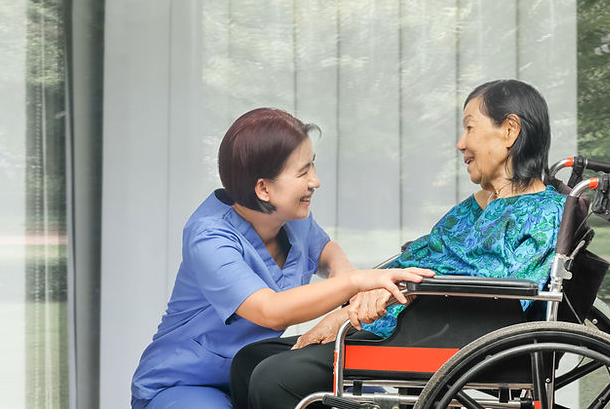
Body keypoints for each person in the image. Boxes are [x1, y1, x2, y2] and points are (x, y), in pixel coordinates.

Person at [230, 79, 567, 409]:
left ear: (509, 131)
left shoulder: (545, 212)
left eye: (470, 128)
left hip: (444, 338)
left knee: (274, 377)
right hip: (406, 323)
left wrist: (376, 300)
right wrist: (357, 296)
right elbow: (424, 253)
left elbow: (499, 292)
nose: (461, 143)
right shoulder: (480, 204)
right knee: (250, 359)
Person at [130, 108, 433, 409]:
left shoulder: (291, 217)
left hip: (254, 369)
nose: (316, 181)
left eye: (313, 166)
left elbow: (327, 252)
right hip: (188, 381)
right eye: (303, 172)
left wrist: (349, 285)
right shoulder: (209, 237)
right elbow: (269, 310)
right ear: (263, 188)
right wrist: (356, 281)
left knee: (366, 397)